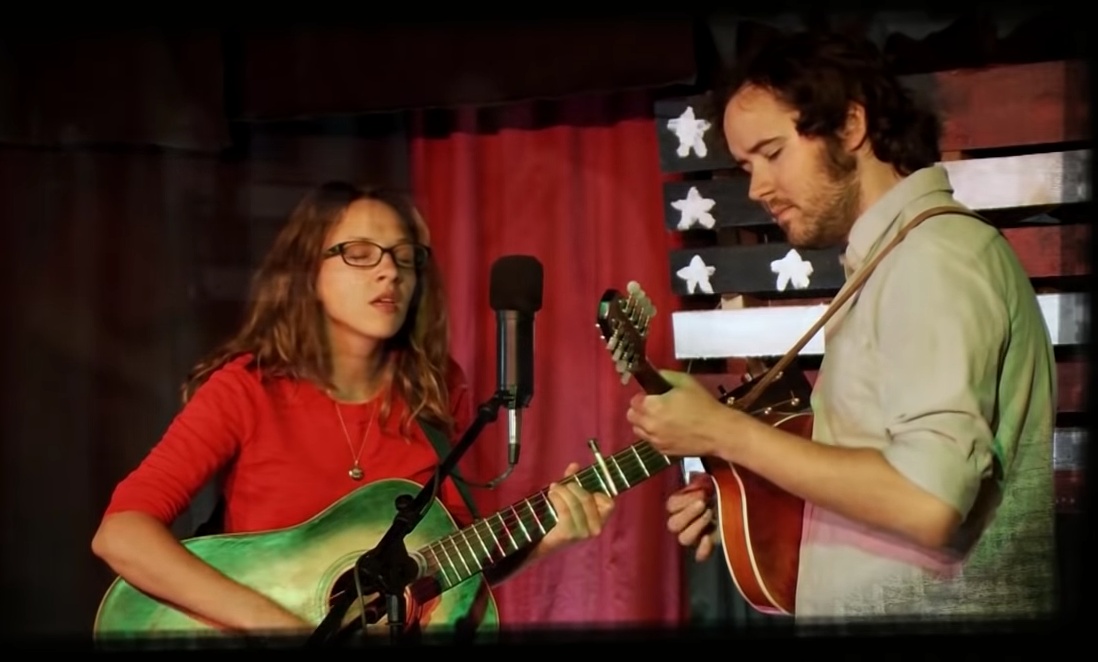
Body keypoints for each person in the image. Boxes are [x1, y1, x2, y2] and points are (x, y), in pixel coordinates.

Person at [628, 30, 1057, 626]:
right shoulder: (894, 260)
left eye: (773, 153)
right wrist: (755, 498)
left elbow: (927, 501)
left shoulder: (933, 259)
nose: (757, 188)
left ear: (851, 126)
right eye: (747, 166)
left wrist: (725, 432)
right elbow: (877, 477)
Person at [91, 181, 615, 641]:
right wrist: (286, 629)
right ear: (307, 274)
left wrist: (545, 541)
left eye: (404, 256)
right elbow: (122, 534)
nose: (389, 271)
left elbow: (438, 570)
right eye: (360, 253)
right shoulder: (247, 390)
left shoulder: (435, 392)